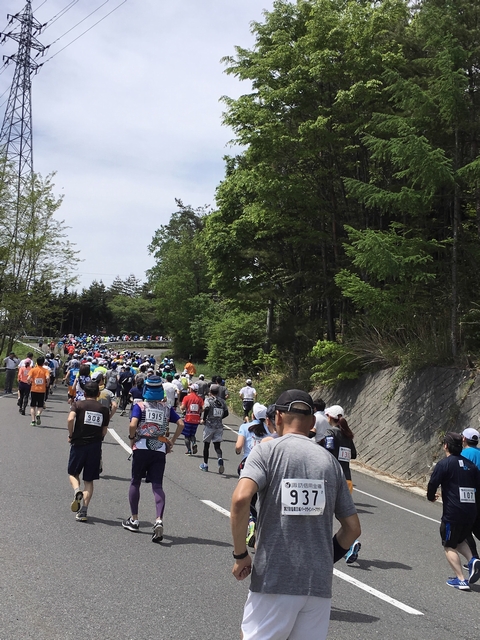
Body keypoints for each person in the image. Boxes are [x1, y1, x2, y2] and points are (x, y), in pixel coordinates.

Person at [230, 389, 361, 640]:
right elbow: (353, 528)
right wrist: (325, 557)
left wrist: (241, 555)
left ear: (277, 417)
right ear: (313, 423)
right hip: (318, 586)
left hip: (275, 579)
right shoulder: (330, 462)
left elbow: (240, 499)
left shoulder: (266, 452)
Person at [122, 376, 185, 542]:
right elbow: (181, 424)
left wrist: (131, 437)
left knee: (135, 481)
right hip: (159, 449)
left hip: (141, 446)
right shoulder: (166, 408)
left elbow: (133, 424)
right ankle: (158, 520)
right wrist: (171, 441)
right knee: (157, 486)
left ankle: (134, 519)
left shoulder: (140, 406)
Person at [427, 432, 480, 590]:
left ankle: (461, 579)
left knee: (449, 544)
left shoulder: (444, 464)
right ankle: (472, 560)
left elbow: (433, 484)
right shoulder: (471, 466)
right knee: (460, 539)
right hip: (471, 511)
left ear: (446, 446)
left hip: (453, 513)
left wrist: (430, 497)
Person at [67, 381, 110, 522]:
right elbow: (104, 430)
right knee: (89, 480)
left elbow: (70, 418)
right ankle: (84, 510)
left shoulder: (78, 405)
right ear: (98, 394)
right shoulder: (103, 409)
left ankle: (76, 491)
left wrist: (71, 434)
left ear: (84, 393)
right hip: (95, 447)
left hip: (78, 444)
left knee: (73, 473)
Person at [324, 405, 360, 564]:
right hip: (348, 480)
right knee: (344, 515)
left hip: (334, 479)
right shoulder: (347, 434)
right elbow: (353, 454)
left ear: (329, 417)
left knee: (325, 514)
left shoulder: (330, 433)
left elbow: (327, 452)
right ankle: (351, 544)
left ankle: (350, 544)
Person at [235, 402, 271, 548]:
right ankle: (261, 530)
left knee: (248, 499)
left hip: (248, 465)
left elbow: (238, 447)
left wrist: (239, 451)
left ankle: (251, 522)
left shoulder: (245, 427)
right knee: (264, 500)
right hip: (267, 467)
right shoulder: (270, 429)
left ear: (253, 414)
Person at [461, 428, 480, 563]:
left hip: (469, 495)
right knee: (477, 526)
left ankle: (474, 558)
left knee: (464, 527)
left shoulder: (465, 454)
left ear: (464, 439)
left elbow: (461, 473)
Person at [199, 384, 228, 473]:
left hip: (209, 425)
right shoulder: (222, 401)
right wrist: (219, 418)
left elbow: (207, 408)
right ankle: (219, 459)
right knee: (217, 446)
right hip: (219, 426)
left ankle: (205, 465)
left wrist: (204, 419)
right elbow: (226, 413)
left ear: (210, 391)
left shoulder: (208, 400)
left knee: (206, 445)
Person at [180, 383, 204, 455]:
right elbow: (204, 408)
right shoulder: (200, 399)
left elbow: (183, 407)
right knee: (192, 434)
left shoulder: (187, 397)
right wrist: (199, 411)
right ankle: (194, 442)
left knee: (186, 436)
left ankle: (189, 450)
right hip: (196, 418)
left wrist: (181, 407)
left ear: (191, 389)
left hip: (188, 418)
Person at [27, 356, 49, 426]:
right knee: (40, 405)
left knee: (32, 406)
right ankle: (38, 414)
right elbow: (48, 377)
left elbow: (28, 378)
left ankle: (33, 421)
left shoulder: (33, 370)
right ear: (43, 363)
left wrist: (29, 382)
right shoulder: (45, 370)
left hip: (34, 389)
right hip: (42, 390)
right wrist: (47, 383)